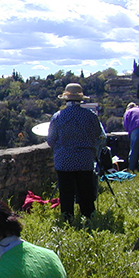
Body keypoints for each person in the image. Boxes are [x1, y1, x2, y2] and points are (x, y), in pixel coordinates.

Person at [47, 83, 105, 220]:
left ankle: (67, 218)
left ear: (66, 99)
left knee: (66, 193)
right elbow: (98, 135)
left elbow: (51, 139)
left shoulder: (58, 116)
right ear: (80, 99)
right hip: (85, 160)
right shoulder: (90, 116)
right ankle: (88, 216)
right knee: (86, 191)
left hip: (64, 160)